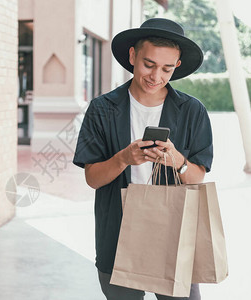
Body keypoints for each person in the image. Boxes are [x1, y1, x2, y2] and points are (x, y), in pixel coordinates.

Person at [73, 18, 213, 300]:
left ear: (177, 66)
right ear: (133, 56)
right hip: (119, 232)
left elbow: (197, 177)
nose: (156, 76)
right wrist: (124, 158)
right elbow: (92, 178)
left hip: (173, 232)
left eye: (167, 68)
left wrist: (178, 161)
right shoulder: (102, 109)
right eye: (149, 64)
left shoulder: (192, 111)